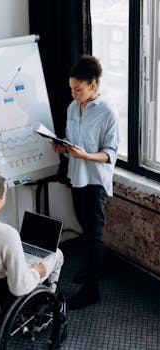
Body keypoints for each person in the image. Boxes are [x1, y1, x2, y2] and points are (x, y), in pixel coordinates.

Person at [52, 54, 119, 309]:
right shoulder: (72, 107)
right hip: (76, 176)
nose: (74, 94)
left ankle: (92, 289)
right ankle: (95, 270)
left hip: (95, 180)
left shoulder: (107, 113)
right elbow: (72, 143)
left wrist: (85, 155)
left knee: (93, 234)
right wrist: (63, 148)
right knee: (83, 225)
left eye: (78, 89)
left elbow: (109, 153)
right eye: (71, 89)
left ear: (93, 84)